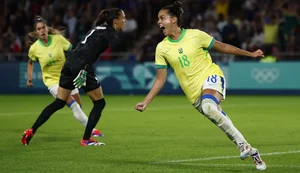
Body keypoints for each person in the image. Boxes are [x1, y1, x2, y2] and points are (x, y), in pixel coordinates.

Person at [134, 1, 267, 171]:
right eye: (158, 19)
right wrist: (146, 101)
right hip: (193, 93)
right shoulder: (162, 48)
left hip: (211, 76)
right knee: (221, 120)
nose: (159, 22)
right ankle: (250, 149)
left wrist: (249, 53)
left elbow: (222, 46)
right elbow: (160, 78)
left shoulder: (195, 35)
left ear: (174, 19)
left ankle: (245, 147)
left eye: (162, 18)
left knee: (209, 106)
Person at [21, 8, 126, 146]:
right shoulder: (109, 33)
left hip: (70, 63)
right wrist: (83, 70)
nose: (125, 21)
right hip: (81, 65)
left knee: (59, 103)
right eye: (123, 18)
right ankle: (86, 139)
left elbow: (81, 48)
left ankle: (31, 130)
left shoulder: (99, 28)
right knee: (100, 103)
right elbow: (89, 52)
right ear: (116, 21)